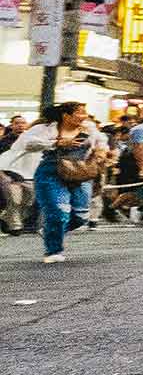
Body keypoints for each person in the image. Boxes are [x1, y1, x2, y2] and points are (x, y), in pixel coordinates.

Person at [11, 102, 99, 263]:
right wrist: (56, 142)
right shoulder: (45, 128)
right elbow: (26, 143)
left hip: (81, 173)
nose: (84, 116)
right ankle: (53, 250)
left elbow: (101, 144)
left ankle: (50, 230)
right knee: (58, 213)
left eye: (85, 113)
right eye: (80, 112)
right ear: (66, 116)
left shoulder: (89, 128)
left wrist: (103, 152)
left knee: (81, 216)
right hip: (51, 172)